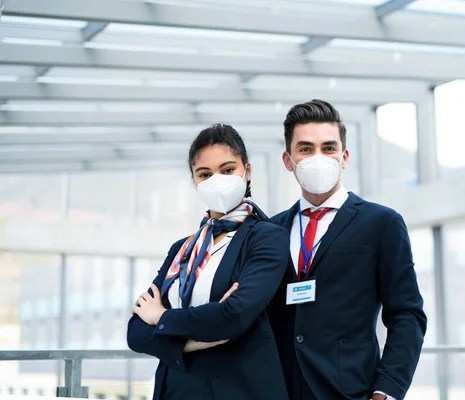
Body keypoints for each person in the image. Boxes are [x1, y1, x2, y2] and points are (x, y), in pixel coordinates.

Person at [269, 100, 427, 400]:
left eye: (328, 148)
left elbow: (407, 313)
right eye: (305, 149)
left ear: (344, 157)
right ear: (288, 160)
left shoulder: (382, 223)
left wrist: (387, 390)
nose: (318, 157)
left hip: (351, 389)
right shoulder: (271, 230)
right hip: (281, 388)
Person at [127, 124, 289, 400]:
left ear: (247, 172)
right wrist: (192, 343)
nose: (217, 180)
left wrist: (161, 317)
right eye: (205, 174)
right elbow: (136, 332)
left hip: (239, 389)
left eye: (228, 170)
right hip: (176, 389)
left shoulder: (266, 237)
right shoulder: (183, 249)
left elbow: (234, 316)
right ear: (194, 181)